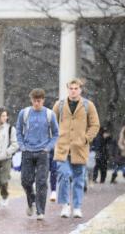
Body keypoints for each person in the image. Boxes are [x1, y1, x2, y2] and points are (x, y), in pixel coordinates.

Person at [53, 78, 100, 218]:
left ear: (80, 90)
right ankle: (65, 205)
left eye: (76, 88)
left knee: (79, 179)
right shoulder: (59, 105)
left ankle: (77, 207)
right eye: (71, 88)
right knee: (64, 174)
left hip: (80, 148)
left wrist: (86, 138)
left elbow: (95, 125)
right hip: (62, 148)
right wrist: (56, 138)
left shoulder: (88, 105)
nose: (73, 91)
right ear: (68, 89)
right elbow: (51, 123)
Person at [16, 88, 59, 220]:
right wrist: (22, 146)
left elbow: (56, 133)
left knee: (41, 182)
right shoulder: (24, 113)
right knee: (25, 181)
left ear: (43, 100)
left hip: (42, 153)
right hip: (27, 151)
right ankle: (31, 201)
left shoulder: (49, 114)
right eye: (34, 101)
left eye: (39, 101)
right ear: (31, 100)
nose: (36, 103)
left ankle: (40, 211)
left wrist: (48, 147)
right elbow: (18, 130)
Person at [0, 107, 19, 210]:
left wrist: (7, 152)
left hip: (5, 159)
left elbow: (15, 144)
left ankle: (4, 196)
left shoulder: (11, 129)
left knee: (3, 181)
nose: (5, 117)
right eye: (3, 115)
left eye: (6, 115)